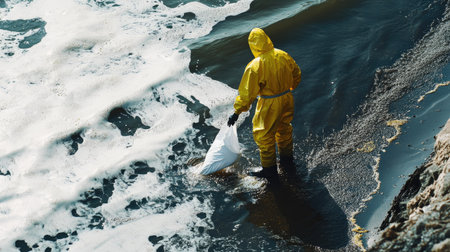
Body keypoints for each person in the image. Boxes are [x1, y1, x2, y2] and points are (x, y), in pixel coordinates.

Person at [227, 28, 301, 182]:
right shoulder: (282, 54)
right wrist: (290, 87)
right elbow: (296, 73)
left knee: (264, 135)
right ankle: (287, 160)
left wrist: (237, 111)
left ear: (253, 45)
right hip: (287, 98)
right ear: (267, 39)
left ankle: (269, 170)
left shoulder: (255, 65)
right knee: (284, 128)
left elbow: (247, 93)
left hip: (269, 103)